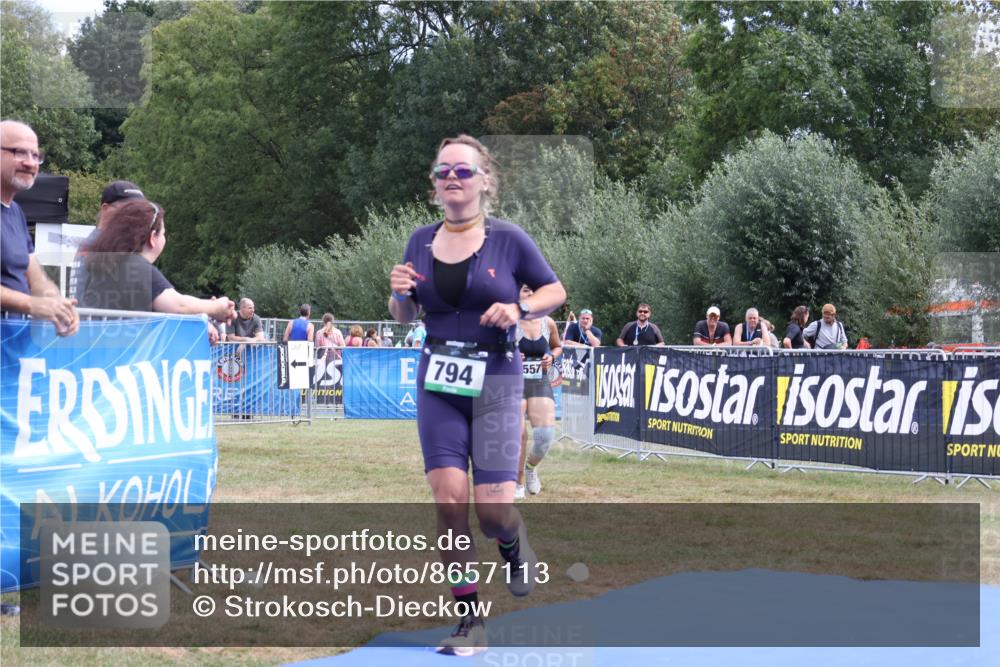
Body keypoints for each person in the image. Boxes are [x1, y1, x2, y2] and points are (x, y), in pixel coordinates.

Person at [388, 134, 565, 656]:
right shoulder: (419, 241)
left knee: (491, 514)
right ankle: (470, 620)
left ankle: (513, 541)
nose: (451, 178)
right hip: (438, 381)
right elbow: (405, 315)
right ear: (434, 183)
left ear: (484, 181)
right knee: (448, 500)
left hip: (496, 379)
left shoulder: (509, 238)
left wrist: (520, 309)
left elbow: (555, 290)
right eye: (442, 171)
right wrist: (398, 294)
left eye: (462, 171)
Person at [78, 200, 234, 336]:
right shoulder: (136, 266)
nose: (164, 238)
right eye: (163, 233)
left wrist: (205, 312)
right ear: (153, 237)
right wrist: (217, 307)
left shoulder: (106, 264)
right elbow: (179, 306)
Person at [0, 120, 78, 336]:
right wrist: (31, 304)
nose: (30, 163)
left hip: (13, 347)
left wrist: (58, 305)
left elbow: (37, 279)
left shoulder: (15, 212)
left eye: (36, 155)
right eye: (19, 152)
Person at [514, 284, 563, 499]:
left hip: (539, 382)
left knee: (545, 436)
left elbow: (557, 346)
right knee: (518, 435)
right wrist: (510, 355)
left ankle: (530, 468)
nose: (531, 293)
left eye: (535, 289)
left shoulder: (548, 322)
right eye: (526, 289)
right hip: (513, 383)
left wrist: (551, 357)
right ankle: (517, 483)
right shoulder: (509, 322)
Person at [69, 179, 146, 300]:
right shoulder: (105, 245)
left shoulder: (94, 241)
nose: (134, 215)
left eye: (138, 210)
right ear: (105, 208)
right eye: (127, 209)